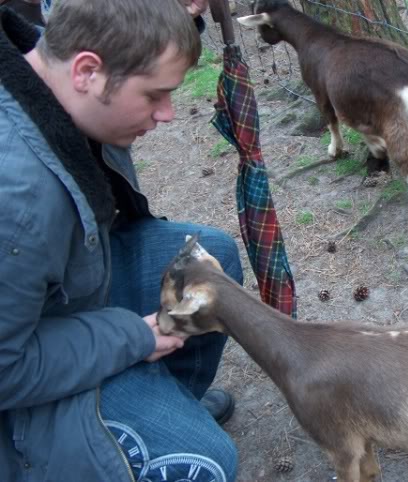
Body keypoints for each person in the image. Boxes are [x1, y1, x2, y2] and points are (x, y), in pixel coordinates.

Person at [0, 0, 243, 480]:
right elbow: (7, 368)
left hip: (68, 292)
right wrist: (131, 337)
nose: (168, 114)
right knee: (202, 464)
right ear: (88, 71)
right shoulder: (17, 202)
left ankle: (165, 407)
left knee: (209, 262)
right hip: (22, 369)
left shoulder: (47, 77)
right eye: (155, 95)